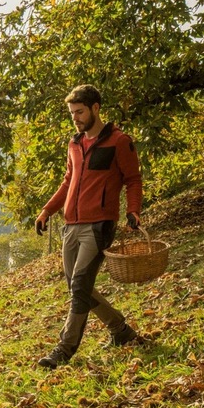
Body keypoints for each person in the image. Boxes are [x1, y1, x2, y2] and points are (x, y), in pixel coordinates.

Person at [34, 84, 143, 369]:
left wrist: (133, 211)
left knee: (81, 284)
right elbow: (68, 181)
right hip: (71, 225)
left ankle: (64, 349)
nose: (76, 118)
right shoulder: (75, 144)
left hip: (99, 225)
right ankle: (122, 331)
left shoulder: (119, 141)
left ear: (96, 108)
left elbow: (133, 179)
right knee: (77, 286)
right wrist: (47, 210)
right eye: (72, 113)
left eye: (80, 112)